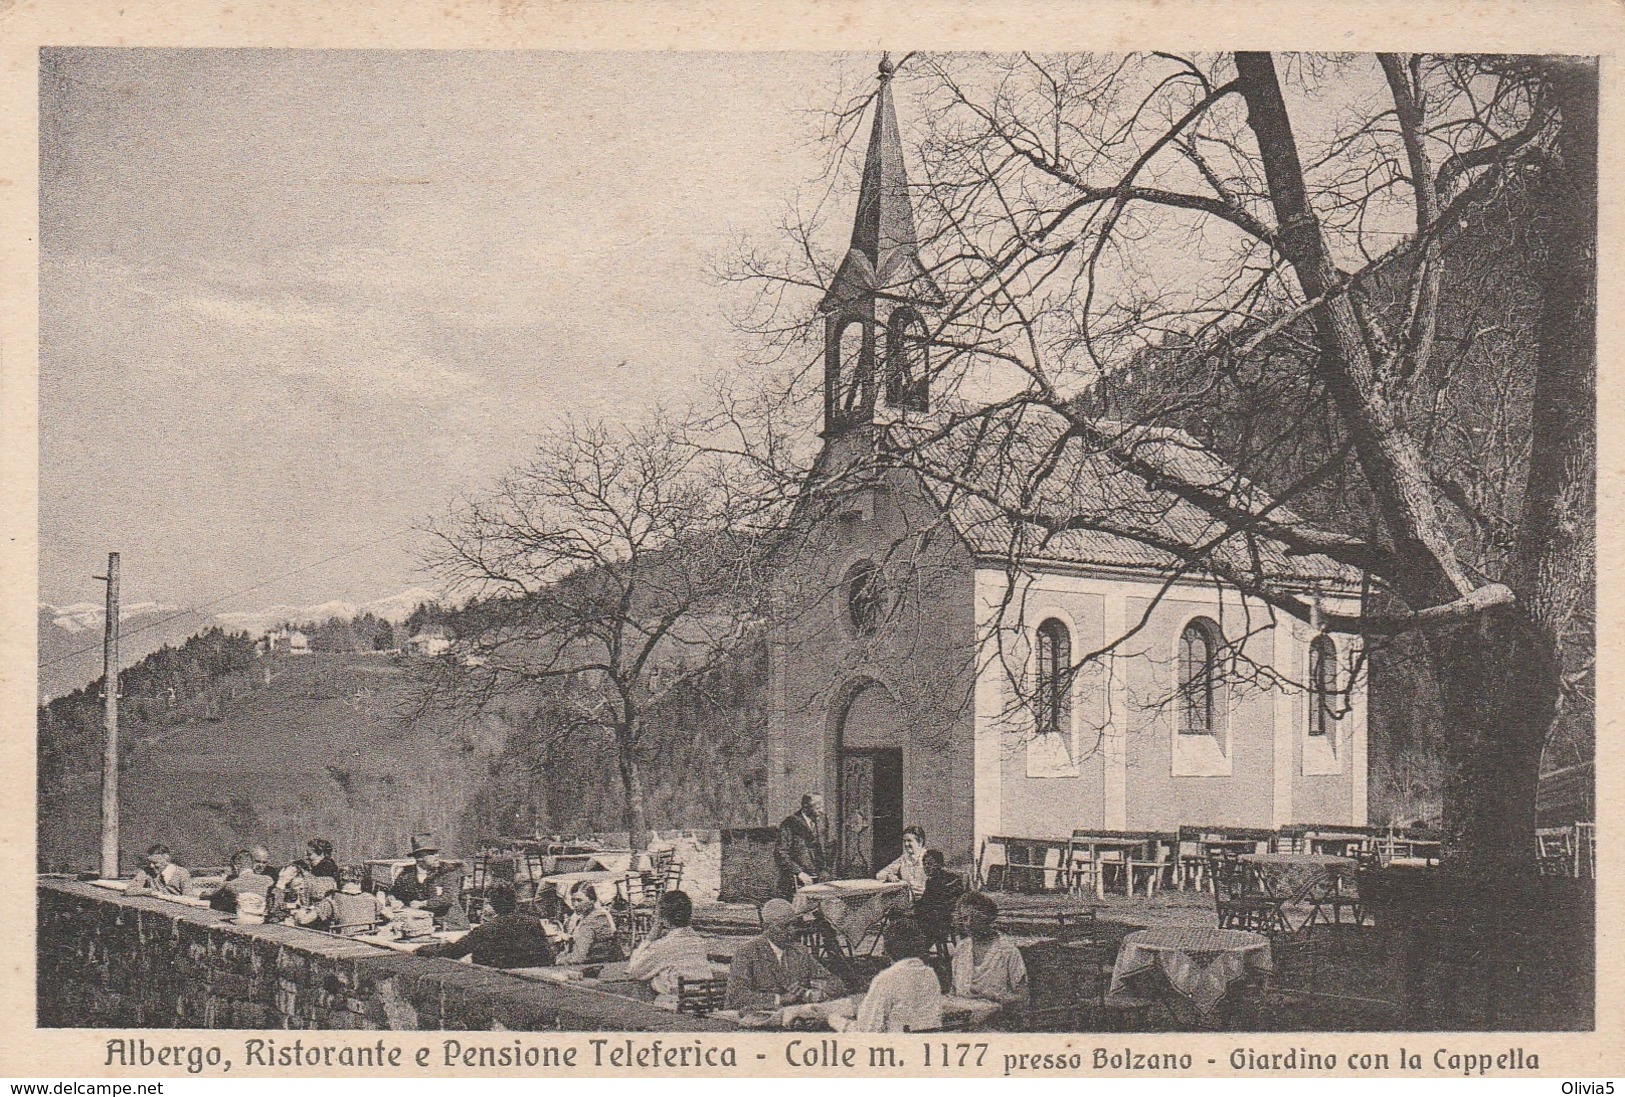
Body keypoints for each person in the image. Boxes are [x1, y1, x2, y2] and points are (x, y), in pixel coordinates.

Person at [724, 898, 842, 1010]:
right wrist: (780, 999)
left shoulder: (800, 952)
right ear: (766, 927)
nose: (792, 931)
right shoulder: (747, 953)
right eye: (784, 926)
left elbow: (834, 982)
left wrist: (816, 992)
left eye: (794, 924)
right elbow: (736, 997)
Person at [833, 917, 942, 1034]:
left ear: (887, 950)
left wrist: (836, 1021)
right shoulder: (930, 975)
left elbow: (868, 1030)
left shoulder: (886, 978)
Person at [417, 884, 554, 968]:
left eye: (486, 904)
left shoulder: (486, 929)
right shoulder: (533, 922)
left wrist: (421, 949)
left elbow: (453, 951)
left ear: (492, 905)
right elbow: (546, 954)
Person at [626, 890, 714, 1006]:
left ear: (662, 918)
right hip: (703, 999)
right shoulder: (698, 941)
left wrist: (649, 939)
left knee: (641, 983)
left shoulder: (664, 945)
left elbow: (633, 972)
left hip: (677, 1004)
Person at [949, 892, 1029, 1012]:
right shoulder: (962, 949)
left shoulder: (1007, 951)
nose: (969, 924)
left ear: (987, 918)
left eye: (975, 918)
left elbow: (1023, 998)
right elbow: (954, 991)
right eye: (965, 918)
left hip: (997, 1021)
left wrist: (996, 999)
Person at [387, 834, 469, 930]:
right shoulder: (406, 874)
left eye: (437, 852)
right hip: (419, 925)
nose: (437, 856)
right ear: (419, 857)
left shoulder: (447, 871)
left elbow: (448, 898)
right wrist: (392, 900)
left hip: (450, 925)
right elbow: (394, 893)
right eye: (431, 853)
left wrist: (423, 904)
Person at [295, 865, 386, 937]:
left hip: (342, 943)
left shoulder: (332, 900)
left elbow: (304, 920)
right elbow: (390, 915)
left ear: (337, 882)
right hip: (368, 940)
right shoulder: (370, 898)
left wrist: (302, 908)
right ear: (359, 881)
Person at [774, 793, 828, 899]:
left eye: (821, 807)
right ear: (806, 808)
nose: (821, 811)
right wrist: (798, 872)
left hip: (819, 877)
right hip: (796, 879)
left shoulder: (822, 820)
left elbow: (824, 846)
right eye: (817, 808)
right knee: (797, 911)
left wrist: (824, 869)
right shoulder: (790, 823)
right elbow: (780, 852)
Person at [912, 849, 965, 955]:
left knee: (909, 920)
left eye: (930, 864)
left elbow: (926, 903)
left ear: (939, 864)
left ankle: (915, 950)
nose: (926, 867)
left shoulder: (933, 882)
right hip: (947, 917)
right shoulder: (953, 877)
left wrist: (912, 908)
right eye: (924, 864)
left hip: (938, 920)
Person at [557, 882, 621, 964]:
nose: (575, 904)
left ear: (592, 900)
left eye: (579, 900)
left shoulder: (591, 921)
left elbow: (577, 958)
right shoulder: (600, 914)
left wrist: (558, 960)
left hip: (599, 965)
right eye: (573, 900)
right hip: (607, 961)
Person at [209, 850, 275, 914]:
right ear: (250, 861)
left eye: (264, 862)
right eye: (257, 861)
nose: (260, 865)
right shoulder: (269, 880)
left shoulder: (271, 876)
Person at [876, 826, 928, 897]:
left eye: (909, 841)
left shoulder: (929, 857)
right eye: (904, 841)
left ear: (920, 842)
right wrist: (889, 876)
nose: (906, 844)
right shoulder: (903, 859)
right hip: (909, 901)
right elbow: (879, 875)